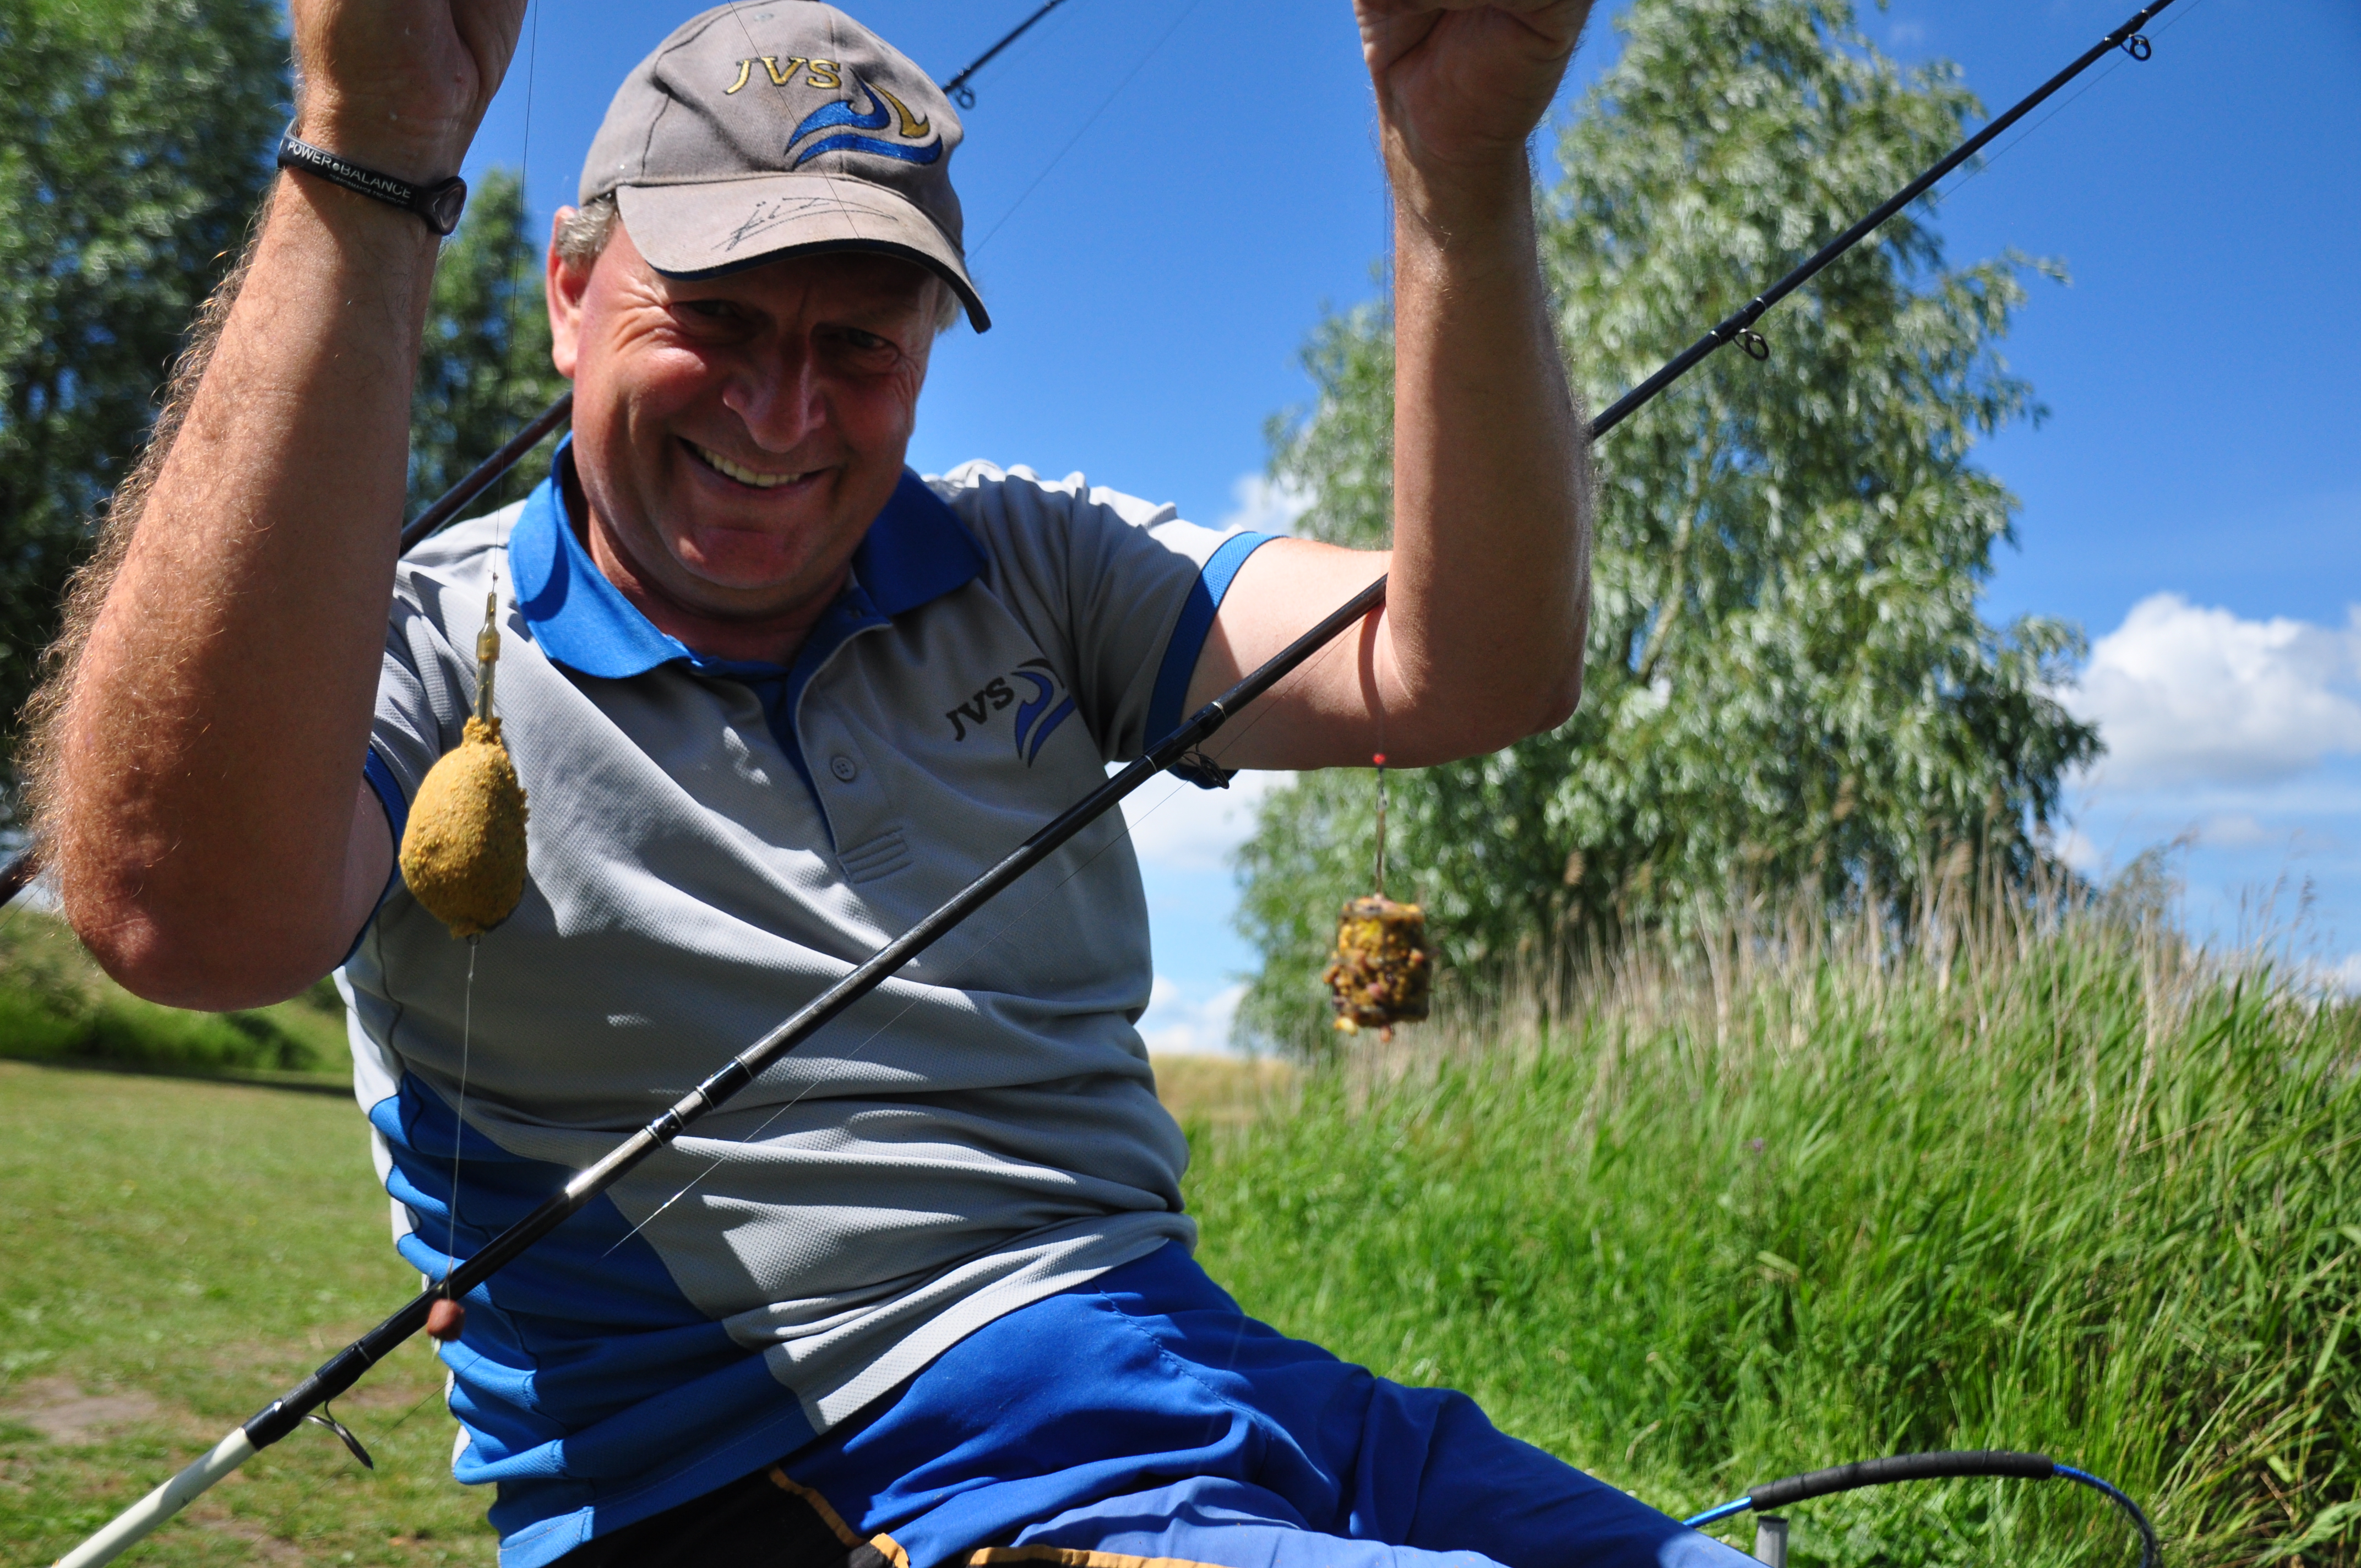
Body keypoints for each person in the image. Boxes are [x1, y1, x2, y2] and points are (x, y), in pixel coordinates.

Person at [35, 0, 1747, 1563]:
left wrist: (1459, 168)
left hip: (1221, 1381)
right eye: (709, 317)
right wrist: (377, 146)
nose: (784, 411)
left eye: (862, 343)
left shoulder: (1036, 561)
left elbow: (1470, 670)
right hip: (824, 1485)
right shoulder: (408, 646)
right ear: (570, 297)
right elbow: (175, 916)